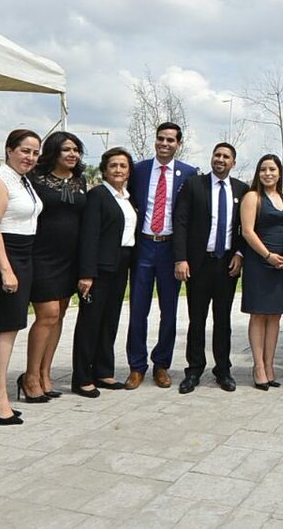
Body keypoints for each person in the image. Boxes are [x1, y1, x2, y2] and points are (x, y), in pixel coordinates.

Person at [0, 129, 44, 425]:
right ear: (9, 149)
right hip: (4, 256)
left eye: (35, 152)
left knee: (12, 326)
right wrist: (5, 270)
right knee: (4, 327)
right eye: (25, 150)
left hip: (23, 254)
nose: (30, 157)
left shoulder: (22, 180)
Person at [173, 142, 249, 394]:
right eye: (217, 155)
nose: (220, 159)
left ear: (233, 163)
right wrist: (181, 258)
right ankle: (194, 370)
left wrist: (240, 253)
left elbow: (247, 227)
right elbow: (181, 222)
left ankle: (223, 370)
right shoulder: (194, 185)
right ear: (211, 158)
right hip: (198, 263)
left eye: (226, 156)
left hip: (227, 264)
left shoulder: (241, 189)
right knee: (197, 319)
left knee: (223, 319)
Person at [125, 122, 196, 389]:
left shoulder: (188, 173)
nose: (164, 144)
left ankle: (162, 365)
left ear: (179, 144)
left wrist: (182, 255)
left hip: (170, 249)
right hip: (143, 246)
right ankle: (136, 366)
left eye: (170, 140)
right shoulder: (139, 170)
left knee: (169, 311)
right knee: (138, 309)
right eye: (161, 138)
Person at [22, 132, 87, 402]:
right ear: (53, 152)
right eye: (66, 150)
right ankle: (30, 376)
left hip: (70, 259)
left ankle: (45, 374)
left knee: (59, 314)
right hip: (42, 256)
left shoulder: (80, 180)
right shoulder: (35, 179)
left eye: (76, 150)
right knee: (47, 314)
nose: (73, 154)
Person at [71, 148, 137, 397]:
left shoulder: (127, 198)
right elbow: (89, 236)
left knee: (110, 320)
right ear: (104, 170)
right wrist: (86, 273)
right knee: (90, 322)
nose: (118, 170)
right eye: (113, 166)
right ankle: (81, 377)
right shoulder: (98, 195)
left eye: (123, 166)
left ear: (129, 171)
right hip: (99, 267)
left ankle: (103, 370)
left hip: (121, 264)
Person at [240, 154, 283, 389]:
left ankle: (269, 365)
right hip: (259, 263)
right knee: (258, 315)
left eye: (272, 169)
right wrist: (267, 256)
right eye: (263, 169)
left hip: (282, 264)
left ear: (279, 172)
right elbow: (247, 232)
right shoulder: (252, 197)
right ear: (258, 172)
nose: (268, 173)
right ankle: (258, 367)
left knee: (275, 315)